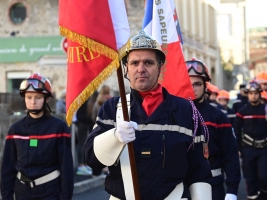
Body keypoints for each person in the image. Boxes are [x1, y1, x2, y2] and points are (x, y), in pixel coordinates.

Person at [84, 31, 212, 200]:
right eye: (134, 63)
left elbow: (199, 171)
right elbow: (92, 159)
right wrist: (114, 137)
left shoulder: (186, 110)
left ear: (160, 67)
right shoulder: (111, 108)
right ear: (126, 69)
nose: (141, 69)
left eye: (148, 63)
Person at [0, 73, 74, 200]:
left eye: (38, 97)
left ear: (46, 99)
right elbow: (8, 167)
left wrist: (65, 197)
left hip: (50, 191)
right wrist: (7, 196)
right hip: (22, 191)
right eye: (29, 97)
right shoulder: (15, 129)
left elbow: (66, 167)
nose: (33, 101)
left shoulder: (59, 128)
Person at [187, 57, 241, 200]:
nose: (193, 88)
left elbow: (230, 154)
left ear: (205, 86)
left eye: (197, 84)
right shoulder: (172, 115)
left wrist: (232, 189)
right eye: (189, 83)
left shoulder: (218, 116)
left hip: (213, 186)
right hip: (182, 187)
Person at [234, 81, 267, 200]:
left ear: (260, 94)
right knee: (250, 179)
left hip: (264, 150)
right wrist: (238, 148)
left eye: (255, 93)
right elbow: (236, 131)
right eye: (250, 93)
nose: (253, 95)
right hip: (248, 150)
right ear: (247, 94)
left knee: (264, 177)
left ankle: (266, 195)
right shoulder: (242, 111)